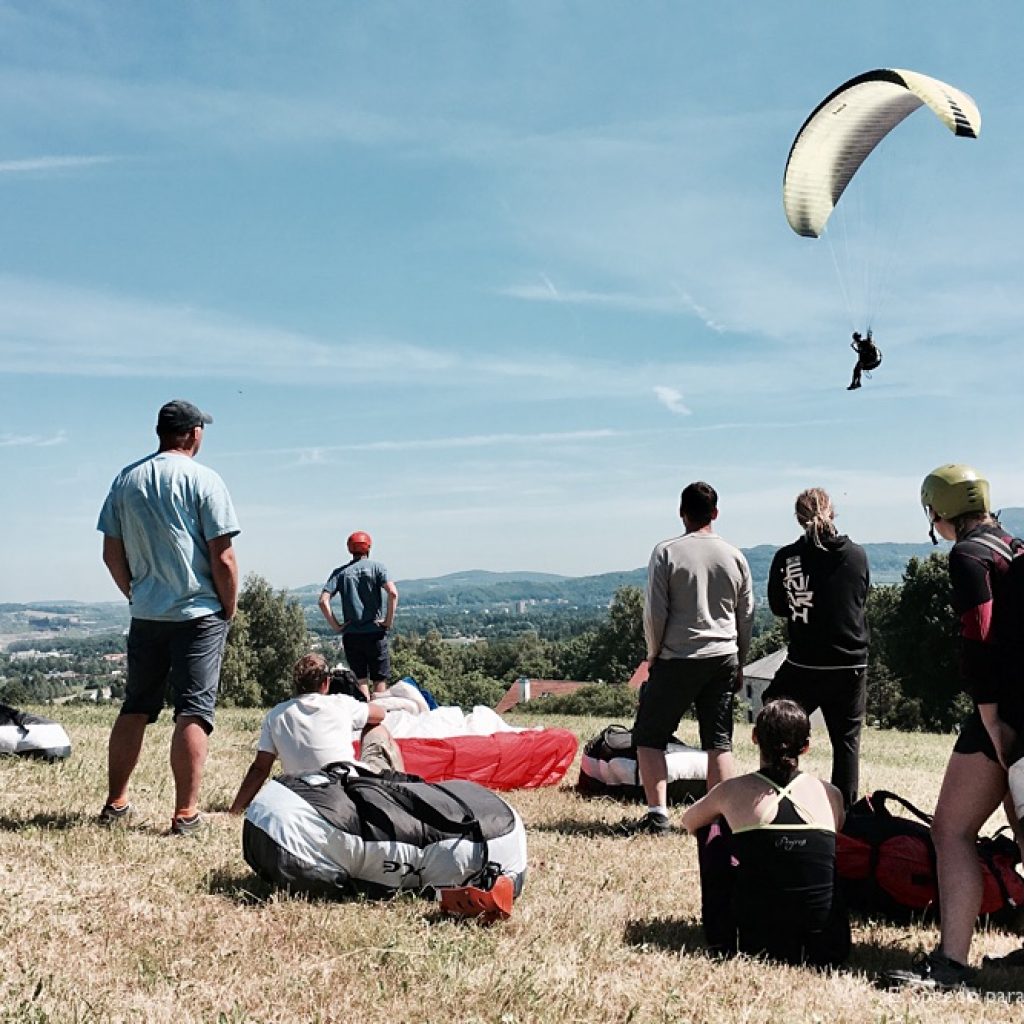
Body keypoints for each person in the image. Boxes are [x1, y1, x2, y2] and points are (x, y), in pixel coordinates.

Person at [888, 464, 1022, 989]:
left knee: (951, 830)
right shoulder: (1012, 546)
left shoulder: (968, 555)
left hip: (1004, 710)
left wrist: (990, 717)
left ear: (939, 511)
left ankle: (951, 962)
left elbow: (978, 635)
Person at [96, 400, 239, 836]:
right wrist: (229, 606)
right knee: (193, 710)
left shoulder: (126, 479)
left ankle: (116, 802)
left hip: (147, 613)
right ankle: (185, 813)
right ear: (194, 433)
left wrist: (135, 593)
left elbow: (111, 552)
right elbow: (223, 557)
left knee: (136, 705)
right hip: (198, 612)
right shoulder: (205, 480)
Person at [623, 481, 755, 835]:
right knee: (718, 741)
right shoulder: (735, 556)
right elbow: (746, 615)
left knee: (649, 736)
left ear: (681, 513)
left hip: (678, 655)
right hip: (723, 655)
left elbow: (655, 612)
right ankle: (719, 819)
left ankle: (658, 815)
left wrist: (653, 654)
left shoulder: (666, 552)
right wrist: (740, 659)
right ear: (715, 513)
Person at [682, 699, 850, 966]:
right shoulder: (831, 794)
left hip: (754, 941)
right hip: (828, 946)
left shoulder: (731, 790)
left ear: (754, 737)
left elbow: (690, 822)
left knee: (711, 829)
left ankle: (720, 932)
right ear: (806, 746)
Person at [763, 488, 870, 808]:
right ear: (832, 513)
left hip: (805, 664)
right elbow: (860, 598)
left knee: (775, 717)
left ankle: (776, 791)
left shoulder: (787, 558)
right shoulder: (857, 555)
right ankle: (845, 815)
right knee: (846, 743)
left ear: (798, 519)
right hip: (850, 663)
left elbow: (779, 607)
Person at [228, 653, 403, 813]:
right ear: (326, 683)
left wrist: (235, 810)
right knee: (376, 729)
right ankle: (402, 790)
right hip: (347, 791)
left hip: (302, 796)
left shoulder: (276, 715)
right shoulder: (341, 703)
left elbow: (260, 768)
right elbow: (379, 714)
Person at [318, 531, 399, 698]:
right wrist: (388, 621)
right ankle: (379, 711)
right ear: (368, 547)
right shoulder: (378, 568)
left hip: (352, 634)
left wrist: (337, 627)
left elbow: (323, 601)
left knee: (360, 679)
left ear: (350, 549)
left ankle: (363, 709)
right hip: (375, 632)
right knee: (379, 679)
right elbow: (392, 593)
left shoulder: (340, 573)